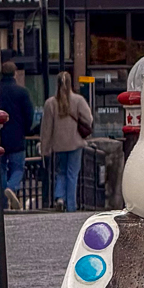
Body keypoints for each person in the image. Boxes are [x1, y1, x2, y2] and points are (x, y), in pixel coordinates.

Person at [39, 71, 94, 210]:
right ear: (71, 83)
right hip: (75, 143)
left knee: (61, 172)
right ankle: (71, 206)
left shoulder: (50, 103)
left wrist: (45, 149)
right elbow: (89, 119)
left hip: (58, 145)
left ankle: (60, 197)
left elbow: (46, 128)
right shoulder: (78, 100)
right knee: (72, 174)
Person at [0, 60, 35, 210]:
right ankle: (11, 188)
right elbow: (29, 115)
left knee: (0, 170)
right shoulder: (22, 92)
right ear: (14, 73)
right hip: (17, 137)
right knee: (18, 168)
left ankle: (2, 202)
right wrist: (26, 130)